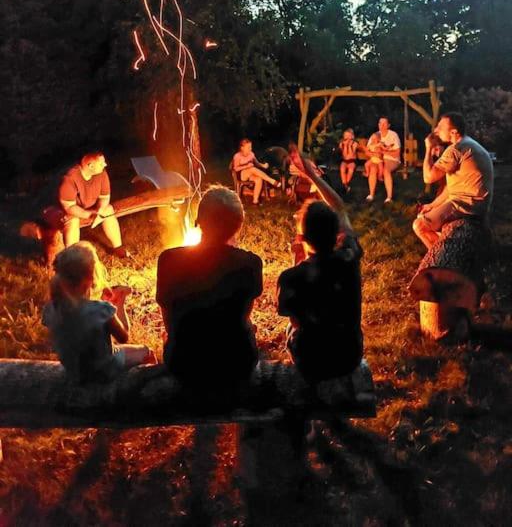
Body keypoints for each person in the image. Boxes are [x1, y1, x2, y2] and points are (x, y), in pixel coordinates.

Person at [156, 186, 262, 392]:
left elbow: (168, 316)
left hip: (184, 362)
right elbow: (244, 314)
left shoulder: (168, 260)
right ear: (238, 225)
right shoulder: (250, 263)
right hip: (237, 362)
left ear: (198, 220)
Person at [278, 155, 364, 383]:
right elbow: (339, 207)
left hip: (311, 361)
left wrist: (298, 257)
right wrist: (312, 175)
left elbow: (295, 320)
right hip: (349, 356)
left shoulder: (292, 277)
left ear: (302, 238)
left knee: (291, 329)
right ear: (337, 234)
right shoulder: (349, 256)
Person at [42, 242, 154, 383]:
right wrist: (120, 303)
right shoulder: (101, 311)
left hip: (74, 369)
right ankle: (149, 388)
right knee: (146, 352)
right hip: (102, 370)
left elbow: (79, 321)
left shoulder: (51, 309)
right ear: (90, 278)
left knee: (110, 350)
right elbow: (124, 336)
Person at [413, 112, 494, 249]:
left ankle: (440, 256)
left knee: (419, 225)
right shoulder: (469, 143)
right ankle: (447, 246)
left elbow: (428, 177)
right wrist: (432, 205)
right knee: (427, 213)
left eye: (440, 127)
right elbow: (452, 188)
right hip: (477, 204)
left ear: (454, 132)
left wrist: (429, 148)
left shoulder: (456, 149)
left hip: (467, 206)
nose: (436, 130)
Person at [43, 151, 129, 258]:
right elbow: (69, 207)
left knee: (108, 210)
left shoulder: (101, 173)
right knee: (72, 220)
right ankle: (72, 258)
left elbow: (104, 197)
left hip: (84, 208)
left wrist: (99, 211)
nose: (105, 164)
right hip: (58, 210)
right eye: (101, 163)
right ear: (91, 166)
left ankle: (118, 248)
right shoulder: (69, 178)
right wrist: (90, 215)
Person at [232, 139, 281, 205]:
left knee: (258, 179)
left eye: (251, 147)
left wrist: (263, 165)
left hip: (251, 174)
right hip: (242, 175)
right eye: (248, 147)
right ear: (242, 148)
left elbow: (257, 164)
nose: (250, 149)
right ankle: (271, 180)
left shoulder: (251, 154)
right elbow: (235, 168)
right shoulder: (237, 156)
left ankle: (255, 200)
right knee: (251, 168)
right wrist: (246, 166)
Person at [365, 117, 401, 203]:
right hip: (377, 159)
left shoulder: (393, 135)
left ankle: (389, 197)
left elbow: (397, 153)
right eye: (380, 123)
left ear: (388, 125)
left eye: (384, 123)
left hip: (391, 159)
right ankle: (371, 195)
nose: (382, 125)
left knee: (386, 170)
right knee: (373, 169)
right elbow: (367, 151)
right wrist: (374, 155)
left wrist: (383, 152)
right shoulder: (375, 135)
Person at [339, 129, 359, 193]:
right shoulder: (342, 143)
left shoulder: (355, 143)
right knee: (342, 168)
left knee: (351, 169)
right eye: (346, 136)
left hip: (352, 160)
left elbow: (352, 154)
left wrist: (349, 146)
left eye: (349, 136)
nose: (347, 137)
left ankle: (345, 185)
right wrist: (345, 146)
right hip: (345, 160)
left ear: (352, 136)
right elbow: (344, 155)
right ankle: (345, 185)